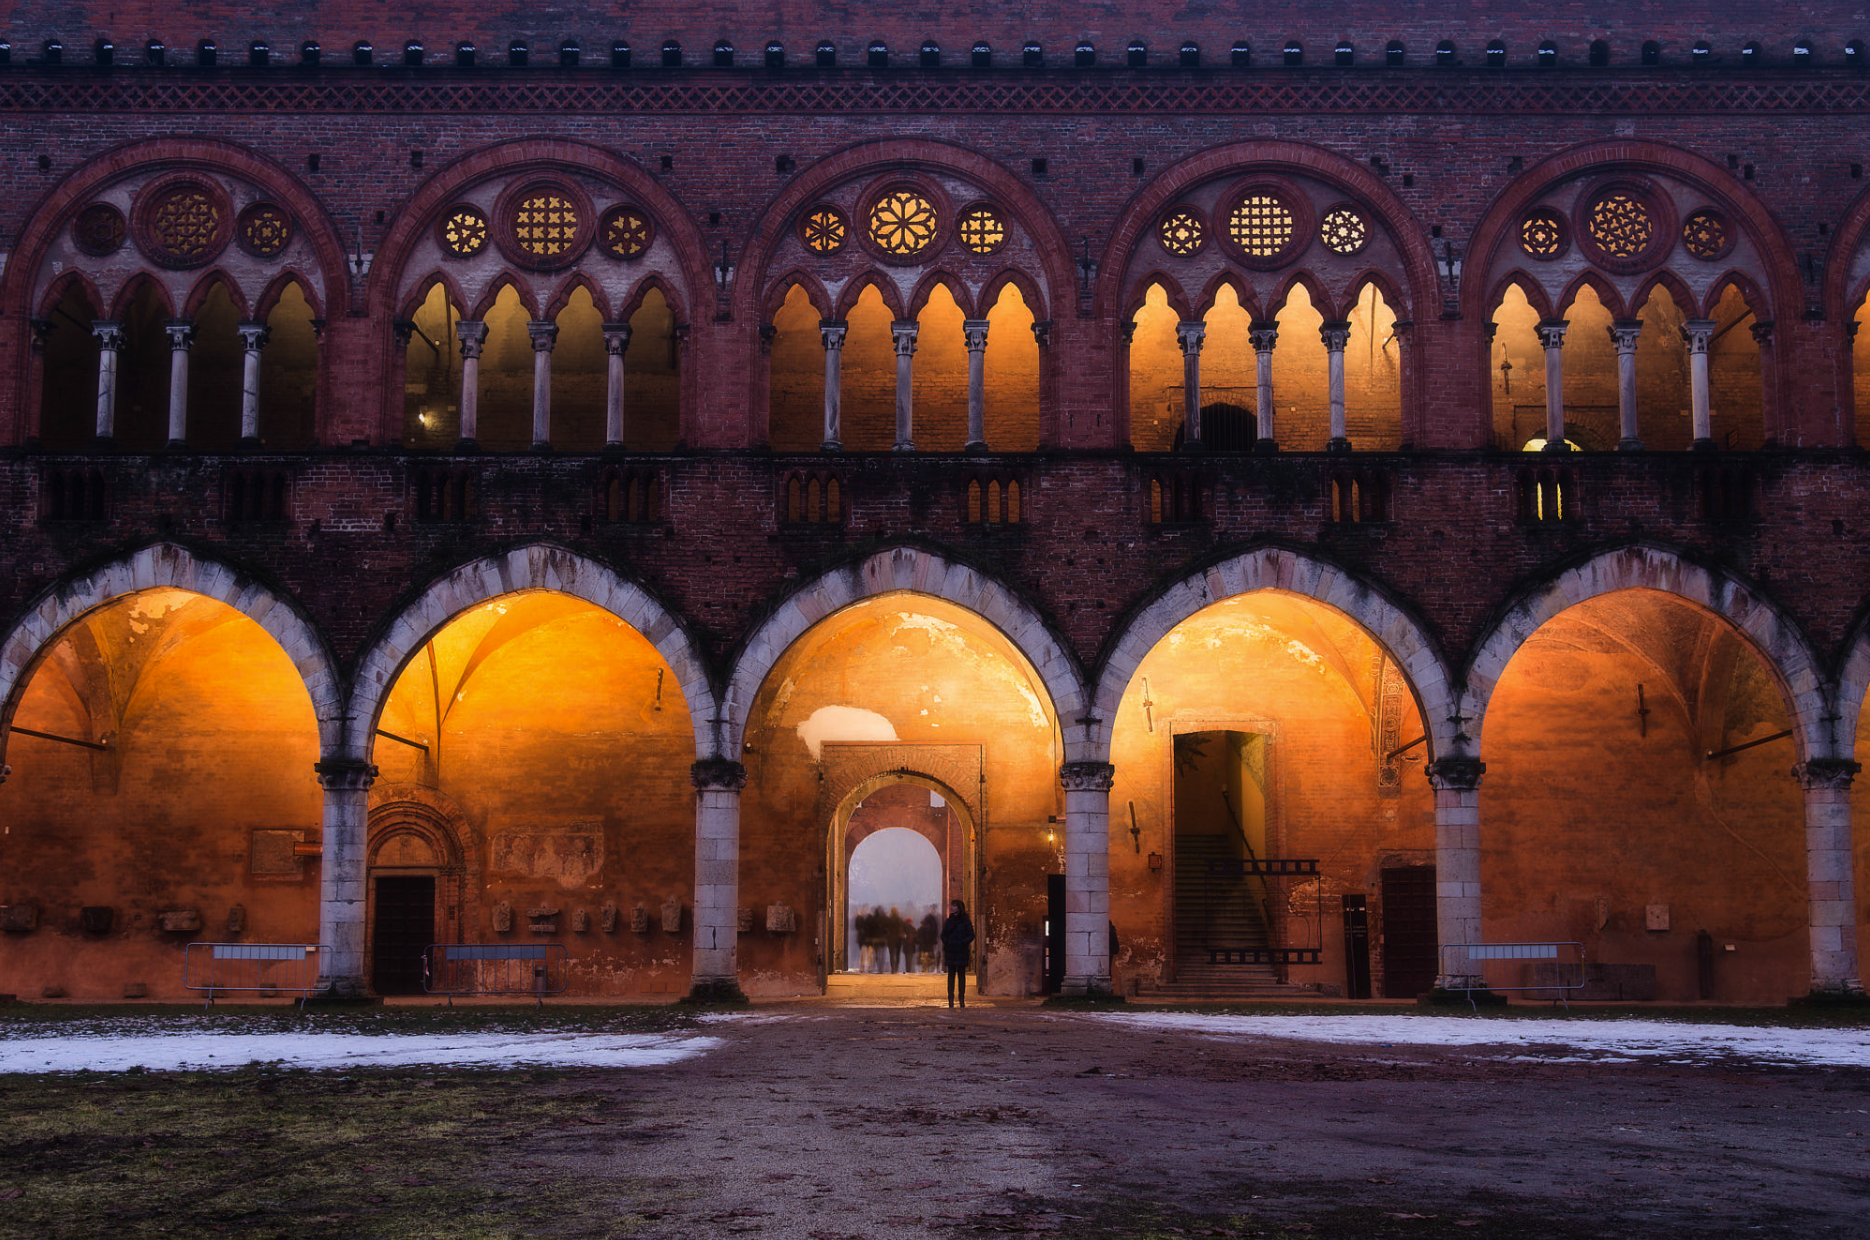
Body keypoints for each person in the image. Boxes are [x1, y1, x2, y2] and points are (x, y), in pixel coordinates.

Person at [941, 898, 975, 1008]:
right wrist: (948, 942)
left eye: (954, 906)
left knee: (961, 976)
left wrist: (962, 942)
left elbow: (971, 935)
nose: (952, 908)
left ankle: (961, 999)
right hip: (951, 951)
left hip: (961, 951)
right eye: (952, 905)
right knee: (951, 976)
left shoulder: (965, 921)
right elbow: (943, 934)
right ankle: (950, 999)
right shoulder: (949, 921)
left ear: (959, 908)